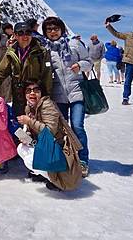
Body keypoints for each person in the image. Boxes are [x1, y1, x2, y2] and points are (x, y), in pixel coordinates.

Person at [41, 16, 91, 176]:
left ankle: (83, 160)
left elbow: (89, 61)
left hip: (77, 93)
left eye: (55, 28)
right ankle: (67, 157)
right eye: (49, 30)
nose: (53, 32)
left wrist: (80, 65)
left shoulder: (74, 44)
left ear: (62, 29)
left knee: (77, 126)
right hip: (58, 95)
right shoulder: (46, 49)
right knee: (62, 129)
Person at [16, 81, 82, 191]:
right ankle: (44, 174)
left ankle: (56, 180)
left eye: (36, 90)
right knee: (21, 148)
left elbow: (49, 131)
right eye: (28, 90)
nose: (32, 93)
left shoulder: (47, 105)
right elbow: (34, 131)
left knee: (29, 160)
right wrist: (26, 136)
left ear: (42, 93)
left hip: (58, 148)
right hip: (46, 145)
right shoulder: (29, 107)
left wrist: (29, 121)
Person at [0, 21, 52, 118]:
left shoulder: (41, 52)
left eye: (28, 32)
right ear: (15, 35)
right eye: (20, 33)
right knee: (20, 125)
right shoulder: (11, 52)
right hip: (18, 96)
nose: (25, 36)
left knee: (37, 124)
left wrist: (46, 97)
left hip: (35, 96)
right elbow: (1, 72)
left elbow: (47, 75)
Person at [105, 19, 133, 105]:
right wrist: (108, 26)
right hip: (130, 61)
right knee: (128, 81)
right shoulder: (129, 35)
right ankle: (125, 98)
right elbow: (117, 34)